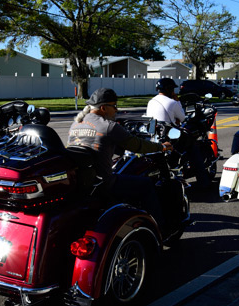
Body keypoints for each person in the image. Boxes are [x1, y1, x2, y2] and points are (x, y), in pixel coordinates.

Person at [68, 87, 173, 230]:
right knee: (146, 184)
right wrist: (162, 147)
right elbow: (138, 145)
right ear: (103, 108)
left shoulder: (75, 124)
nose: (116, 110)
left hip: (84, 183)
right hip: (105, 183)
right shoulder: (108, 126)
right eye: (114, 106)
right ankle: (160, 229)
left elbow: (99, 146)